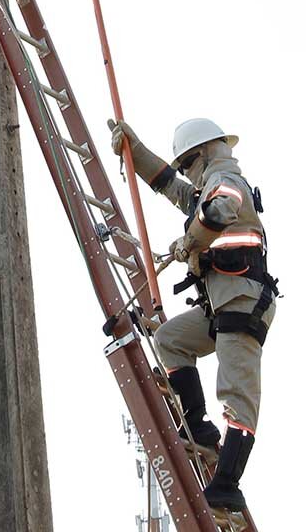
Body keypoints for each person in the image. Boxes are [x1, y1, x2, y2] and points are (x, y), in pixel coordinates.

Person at [108, 117, 278, 512]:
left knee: (238, 397)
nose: (185, 172)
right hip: (220, 308)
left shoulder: (226, 182)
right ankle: (200, 428)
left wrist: (190, 241)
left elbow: (221, 211)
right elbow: (169, 185)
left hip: (242, 305)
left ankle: (227, 485)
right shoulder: (206, 187)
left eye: (187, 164)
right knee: (169, 340)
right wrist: (134, 151)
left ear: (201, 156)